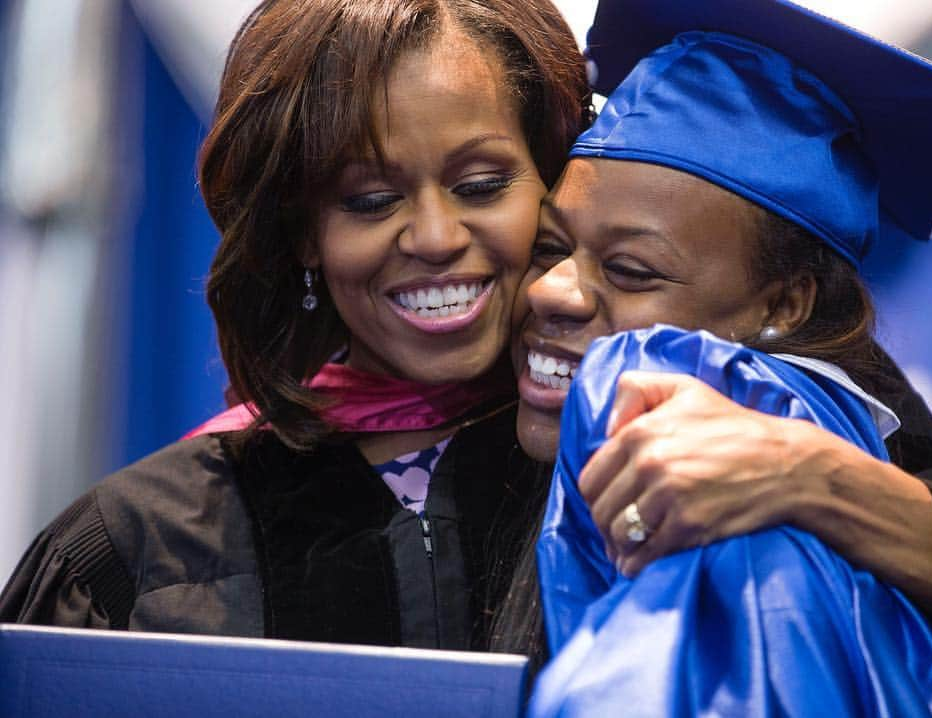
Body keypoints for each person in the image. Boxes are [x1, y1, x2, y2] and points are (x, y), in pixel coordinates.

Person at [501, 1, 932, 715]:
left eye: (632, 270)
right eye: (551, 247)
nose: (551, 291)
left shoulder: (754, 510)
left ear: (783, 307)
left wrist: (827, 484)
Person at [0, 0, 590, 648]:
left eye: (480, 185)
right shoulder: (135, 549)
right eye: (370, 200)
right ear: (305, 230)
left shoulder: (626, 481)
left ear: (555, 185)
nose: (435, 236)